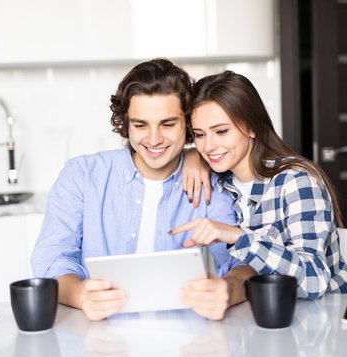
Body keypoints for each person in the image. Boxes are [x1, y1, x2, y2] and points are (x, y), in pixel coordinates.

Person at [31, 60, 256, 321]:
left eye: (168, 124)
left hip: (195, 337)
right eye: (140, 125)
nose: (153, 139)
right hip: (98, 336)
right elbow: (51, 259)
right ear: (126, 123)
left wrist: (229, 289)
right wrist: (80, 294)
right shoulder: (82, 176)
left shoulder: (217, 181)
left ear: (188, 124)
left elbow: (247, 260)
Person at [170, 71, 347, 300]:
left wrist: (237, 236)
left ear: (253, 127)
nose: (208, 146)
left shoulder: (296, 181)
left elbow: (314, 281)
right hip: (262, 321)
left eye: (221, 131)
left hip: (325, 320)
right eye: (199, 134)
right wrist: (189, 155)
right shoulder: (219, 182)